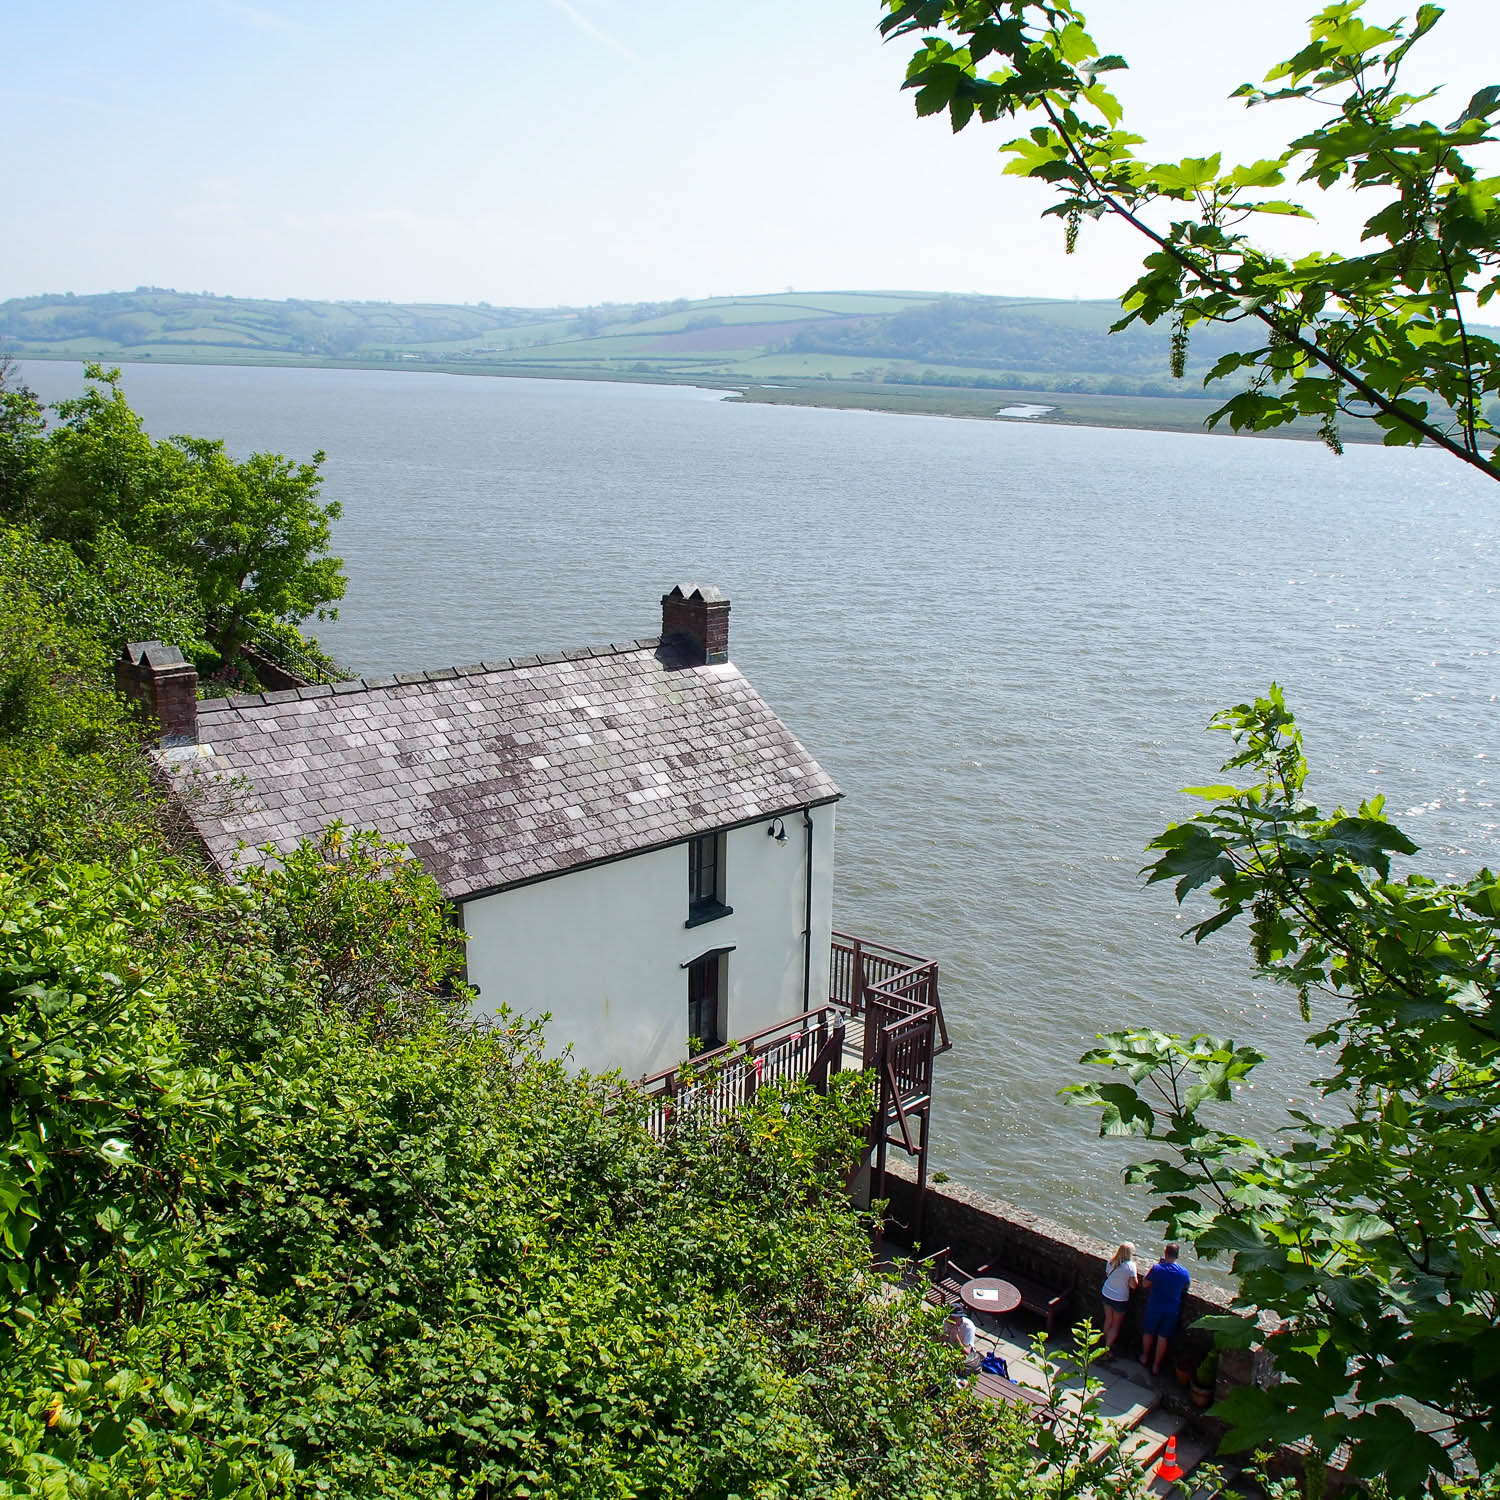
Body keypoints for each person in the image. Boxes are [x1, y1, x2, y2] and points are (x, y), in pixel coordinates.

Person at [1139, 1243, 1190, 1376]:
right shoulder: (1183, 1272)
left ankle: (1145, 1357)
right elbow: (1186, 1286)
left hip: (1155, 1306)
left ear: (1165, 1253)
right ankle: (1156, 1366)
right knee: (1163, 1338)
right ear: (1178, 1256)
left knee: (1148, 1332)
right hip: (1172, 1309)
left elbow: (1145, 1283)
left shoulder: (1157, 1268)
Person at [1099, 1242, 1139, 1352]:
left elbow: (1108, 1274)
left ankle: (1106, 1341)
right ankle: (1106, 1349)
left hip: (1106, 1293)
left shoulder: (1111, 1261)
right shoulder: (1131, 1266)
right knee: (1116, 1325)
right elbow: (1133, 1285)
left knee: (1108, 1320)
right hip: (1119, 1299)